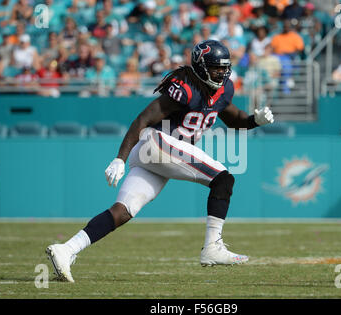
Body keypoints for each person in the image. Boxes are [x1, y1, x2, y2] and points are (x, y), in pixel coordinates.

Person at [46, 39, 275, 282]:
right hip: (158, 143)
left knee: (123, 211)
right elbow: (143, 119)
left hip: (161, 154)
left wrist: (254, 121)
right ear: (200, 66)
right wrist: (119, 158)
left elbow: (233, 118)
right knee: (223, 179)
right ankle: (212, 247)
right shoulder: (185, 87)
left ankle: (66, 249)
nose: (222, 73)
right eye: (216, 67)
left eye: (224, 67)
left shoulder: (223, 89)